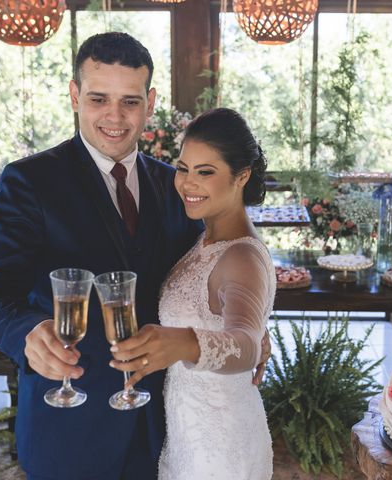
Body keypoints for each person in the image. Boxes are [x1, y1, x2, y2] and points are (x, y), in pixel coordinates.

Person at [0, 33, 267, 480]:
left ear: (149, 101)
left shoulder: (177, 186)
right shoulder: (29, 181)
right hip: (70, 427)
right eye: (98, 98)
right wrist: (25, 334)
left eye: (129, 101)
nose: (115, 116)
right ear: (74, 96)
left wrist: (254, 324)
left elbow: (222, 259)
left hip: (162, 427)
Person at [109, 107, 275, 479]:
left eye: (205, 172)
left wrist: (185, 343)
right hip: (187, 433)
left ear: (241, 176)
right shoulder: (205, 238)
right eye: (183, 169)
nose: (187, 183)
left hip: (221, 448)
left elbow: (245, 344)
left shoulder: (242, 255)